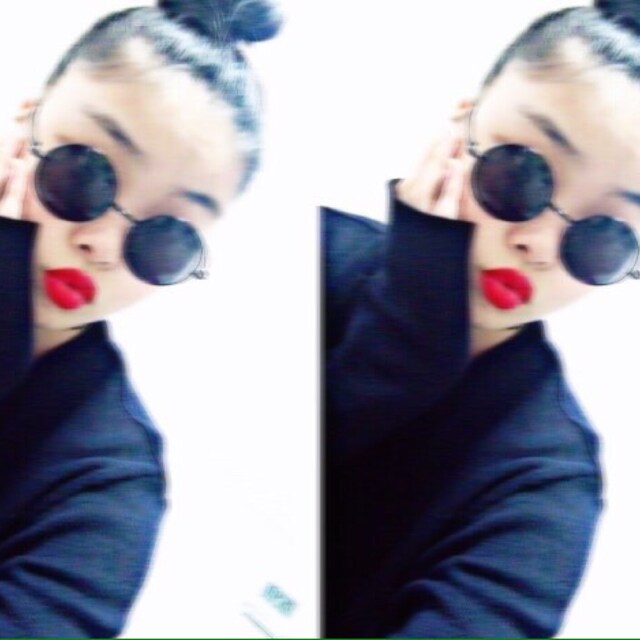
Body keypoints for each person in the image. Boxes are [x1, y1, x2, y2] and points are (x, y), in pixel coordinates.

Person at [323, 0, 640, 636]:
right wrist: (406, 329)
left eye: (605, 237)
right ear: (459, 127)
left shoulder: (546, 485)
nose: (538, 245)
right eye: (522, 176)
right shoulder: (302, 257)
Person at [0, 0, 281, 637]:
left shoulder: (109, 486)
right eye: (84, 174)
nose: (101, 244)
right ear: (24, 123)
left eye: (166, 235)